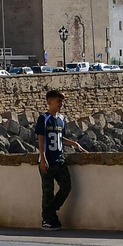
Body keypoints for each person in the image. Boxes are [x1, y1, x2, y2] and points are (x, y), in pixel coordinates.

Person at [35, 89, 87, 230]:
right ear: (50, 102)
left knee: (66, 186)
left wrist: (74, 144)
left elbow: (59, 138)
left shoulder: (62, 119)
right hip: (47, 159)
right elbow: (41, 138)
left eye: (62, 101)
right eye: (58, 101)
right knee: (48, 191)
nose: (61, 104)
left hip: (59, 158)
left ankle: (51, 212)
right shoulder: (43, 118)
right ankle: (47, 219)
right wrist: (43, 158)